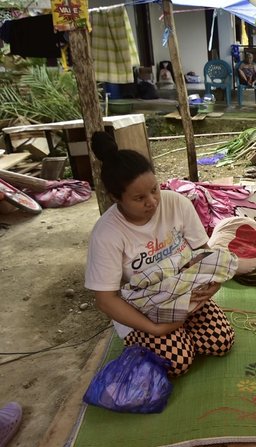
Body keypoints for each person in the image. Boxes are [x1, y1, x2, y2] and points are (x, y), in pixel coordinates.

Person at [84, 131, 236, 377]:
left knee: (220, 342)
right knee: (178, 362)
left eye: (154, 189)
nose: (153, 201)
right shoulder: (107, 233)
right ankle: (170, 338)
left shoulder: (176, 203)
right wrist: (153, 329)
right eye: (139, 198)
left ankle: (180, 334)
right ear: (115, 197)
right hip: (144, 309)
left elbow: (203, 253)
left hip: (185, 294)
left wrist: (214, 282)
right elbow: (106, 299)